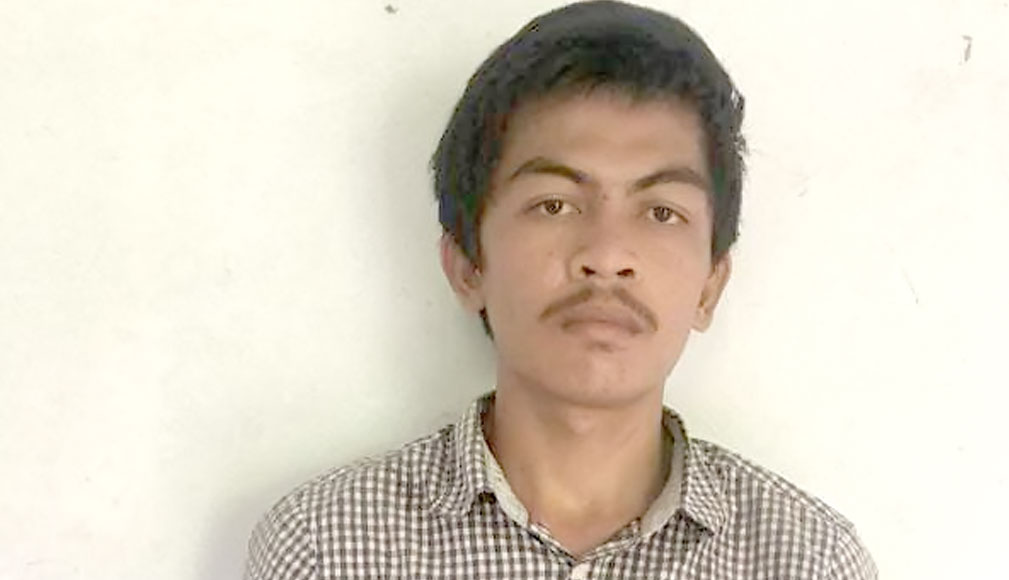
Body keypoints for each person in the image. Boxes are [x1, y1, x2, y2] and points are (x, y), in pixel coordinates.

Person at [245, 1, 877, 578]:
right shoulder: (326, 546)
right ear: (467, 265)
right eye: (554, 204)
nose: (606, 256)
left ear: (711, 285)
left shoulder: (807, 561)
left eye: (661, 212)